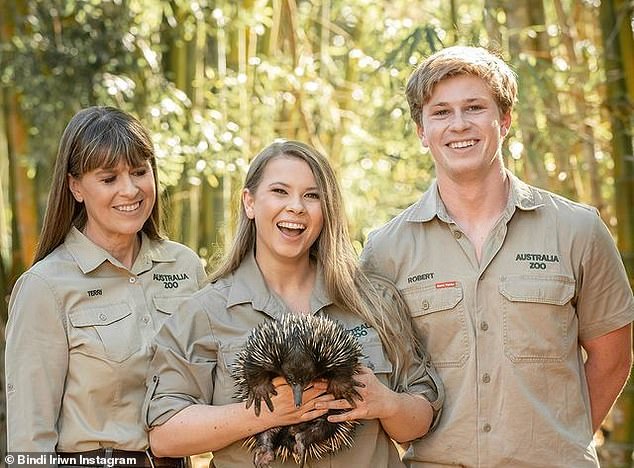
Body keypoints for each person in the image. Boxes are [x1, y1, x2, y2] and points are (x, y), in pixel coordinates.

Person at [360, 45, 634, 467]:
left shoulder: (577, 230)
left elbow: (612, 358)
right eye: (440, 112)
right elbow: (381, 381)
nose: (458, 125)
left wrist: (560, 444)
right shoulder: (385, 250)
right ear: (420, 129)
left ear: (503, 119)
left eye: (474, 107)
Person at [144, 140, 443, 467]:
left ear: (325, 210)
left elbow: (421, 419)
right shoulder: (206, 311)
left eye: (312, 195)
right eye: (280, 191)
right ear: (250, 202)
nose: (296, 207)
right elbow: (164, 434)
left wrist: (386, 403)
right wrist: (261, 413)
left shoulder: (373, 299)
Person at [5, 106, 207, 467]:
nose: (130, 190)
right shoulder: (44, 287)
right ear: (75, 186)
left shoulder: (185, 266)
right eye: (109, 178)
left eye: (140, 172)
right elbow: (30, 438)